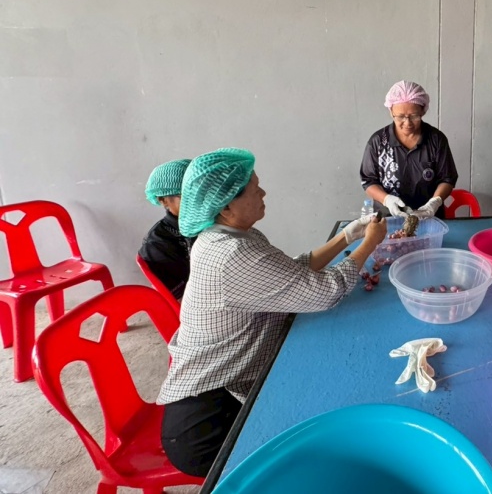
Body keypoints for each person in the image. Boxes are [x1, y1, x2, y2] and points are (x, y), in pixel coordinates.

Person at [157, 148, 386, 477]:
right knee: (305, 464)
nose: (263, 193)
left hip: (227, 390)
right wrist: (369, 244)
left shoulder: (232, 235)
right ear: (225, 207)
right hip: (207, 422)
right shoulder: (231, 253)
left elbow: (292, 272)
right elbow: (326, 292)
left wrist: (347, 236)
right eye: (254, 189)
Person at [360, 80, 458, 219]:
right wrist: (387, 199)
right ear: (391, 112)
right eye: (400, 116)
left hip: (428, 218)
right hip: (388, 219)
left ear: (423, 111)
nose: (407, 123)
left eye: (414, 116)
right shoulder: (378, 142)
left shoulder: (436, 140)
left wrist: (434, 202)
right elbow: (368, 181)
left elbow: (447, 179)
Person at [139, 158, 192, 300]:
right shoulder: (158, 244)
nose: (198, 202)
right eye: (187, 197)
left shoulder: (213, 222)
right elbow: (180, 297)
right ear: (163, 200)